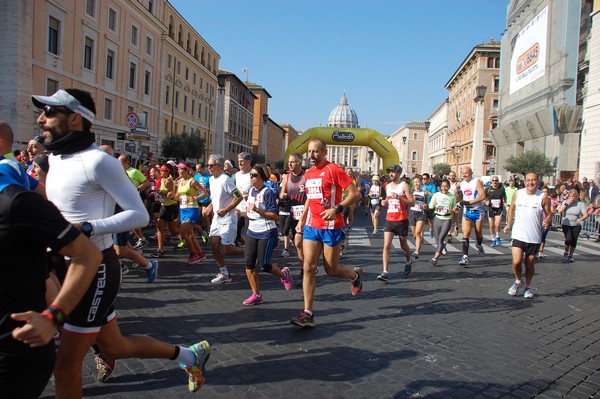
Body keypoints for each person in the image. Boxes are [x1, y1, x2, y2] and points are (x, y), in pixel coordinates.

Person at [31, 88, 210, 397]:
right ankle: (190, 355)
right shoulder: (55, 159)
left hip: (95, 269)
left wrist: (86, 227)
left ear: (75, 119)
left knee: (65, 365)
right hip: (61, 267)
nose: (40, 118)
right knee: (115, 345)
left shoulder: (99, 162)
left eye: (49, 113)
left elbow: (139, 215)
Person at [0, 165, 102, 399]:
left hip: (14, 353)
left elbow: (88, 254)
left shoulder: (17, 202)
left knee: (112, 345)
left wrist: (53, 316)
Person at [290, 138, 363, 328]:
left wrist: (337, 209)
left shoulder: (334, 170)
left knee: (331, 269)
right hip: (312, 226)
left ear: (324, 153)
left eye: (315, 152)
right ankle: (308, 312)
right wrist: (302, 219)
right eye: (310, 152)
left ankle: (354, 276)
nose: (312, 156)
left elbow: (355, 194)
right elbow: (309, 198)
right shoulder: (309, 173)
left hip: (331, 226)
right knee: (308, 267)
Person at [242, 164, 294, 306]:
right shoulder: (251, 190)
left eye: (254, 175)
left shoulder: (268, 192)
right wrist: (242, 212)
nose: (251, 177)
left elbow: (274, 216)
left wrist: (258, 210)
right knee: (249, 265)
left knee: (264, 265)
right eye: (250, 175)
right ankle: (256, 294)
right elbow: (250, 211)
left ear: (261, 177)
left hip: (266, 232)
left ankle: (284, 274)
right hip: (252, 230)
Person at [503, 172, 552, 299]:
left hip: (534, 237)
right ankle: (518, 280)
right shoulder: (518, 193)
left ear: (538, 181)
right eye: (528, 180)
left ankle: (528, 287)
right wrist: (508, 224)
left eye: (533, 180)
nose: (531, 183)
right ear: (525, 181)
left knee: (529, 265)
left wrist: (548, 219)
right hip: (518, 234)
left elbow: (550, 213)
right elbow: (512, 209)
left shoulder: (543, 197)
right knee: (516, 262)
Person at [206, 154, 244, 283]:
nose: (209, 168)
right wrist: (209, 207)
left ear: (220, 166)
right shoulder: (211, 179)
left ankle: (250, 252)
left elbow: (238, 196)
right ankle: (224, 273)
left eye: (212, 165)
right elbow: (215, 197)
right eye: (208, 165)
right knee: (213, 245)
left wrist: (226, 210)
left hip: (228, 218)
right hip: (217, 218)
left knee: (226, 249)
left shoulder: (225, 180)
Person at [378, 165, 414, 281]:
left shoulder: (404, 186)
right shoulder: (387, 186)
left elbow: (412, 203)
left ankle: (408, 260)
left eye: (393, 172)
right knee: (386, 245)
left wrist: (400, 198)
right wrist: (384, 202)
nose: (391, 174)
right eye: (390, 172)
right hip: (390, 219)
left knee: (403, 245)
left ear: (399, 173)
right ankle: (385, 271)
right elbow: (388, 198)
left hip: (402, 219)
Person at [176, 162, 209, 264]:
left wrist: (195, 198)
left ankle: (194, 254)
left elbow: (205, 193)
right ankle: (201, 254)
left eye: (180, 169)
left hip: (192, 210)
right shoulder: (180, 181)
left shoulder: (193, 182)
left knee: (182, 233)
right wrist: (171, 195)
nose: (178, 171)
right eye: (178, 169)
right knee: (190, 236)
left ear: (187, 170)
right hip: (183, 209)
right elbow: (178, 196)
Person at [279, 153, 306, 272]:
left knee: (300, 242)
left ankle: (305, 269)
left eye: (293, 162)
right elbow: (281, 193)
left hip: (306, 213)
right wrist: (282, 195)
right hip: (292, 212)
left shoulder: (306, 176)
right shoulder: (286, 177)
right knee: (297, 244)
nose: (289, 164)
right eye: (289, 162)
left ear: (299, 163)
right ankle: (305, 267)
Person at [456, 167, 486, 266]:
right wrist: (458, 203)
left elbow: (482, 196)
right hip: (467, 211)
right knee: (466, 233)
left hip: (478, 211)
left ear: (471, 173)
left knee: (478, 233)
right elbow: (461, 197)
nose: (464, 175)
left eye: (466, 173)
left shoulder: (477, 182)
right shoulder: (461, 184)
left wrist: (469, 202)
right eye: (463, 173)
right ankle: (465, 257)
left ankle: (479, 244)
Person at [151, 164, 180, 258]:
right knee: (160, 227)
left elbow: (170, 194)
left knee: (173, 229)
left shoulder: (168, 181)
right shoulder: (162, 180)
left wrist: (158, 191)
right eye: (160, 170)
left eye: (162, 171)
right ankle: (160, 250)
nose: (160, 172)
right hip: (164, 206)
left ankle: (187, 239)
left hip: (171, 206)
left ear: (168, 172)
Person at [429, 179, 457, 266]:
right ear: (440, 187)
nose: (444, 188)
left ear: (449, 187)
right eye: (443, 186)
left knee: (441, 239)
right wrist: (433, 204)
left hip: (447, 219)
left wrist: (455, 209)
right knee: (437, 240)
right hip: (437, 218)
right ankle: (443, 246)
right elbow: (430, 206)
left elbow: (454, 207)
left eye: (446, 186)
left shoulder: (452, 196)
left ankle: (435, 258)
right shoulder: (436, 195)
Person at [557, 189, 589, 262]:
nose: (572, 198)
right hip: (566, 224)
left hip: (576, 225)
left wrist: (581, 219)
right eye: (571, 196)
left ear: (577, 197)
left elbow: (586, 215)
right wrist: (567, 204)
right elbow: (559, 211)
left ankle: (570, 255)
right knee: (568, 239)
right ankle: (565, 252)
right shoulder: (566, 202)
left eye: (574, 197)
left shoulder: (580, 204)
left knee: (574, 240)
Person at [234, 152, 253, 247]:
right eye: (239, 162)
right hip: (239, 208)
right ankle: (245, 244)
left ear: (249, 162)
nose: (240, 164)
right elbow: (234, 190)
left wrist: (249, 195)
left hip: (250, 209)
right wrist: (238, 196)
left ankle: (249, 248)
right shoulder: (237, 175)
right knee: (236, 232)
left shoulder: (253, 174)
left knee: (248, 232)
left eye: (242, 161)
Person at [408, 175, 428, 259]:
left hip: (421, 213)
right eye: (415, 182)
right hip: (412, 213)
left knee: (418, 233)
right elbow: (408, 202)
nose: (416, 183)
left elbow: (426, 203)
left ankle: (417, 251)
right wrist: (412, 199)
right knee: (414, 234)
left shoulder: (424, 192)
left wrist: (425, 206)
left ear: (421, 182)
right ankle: (417, 244)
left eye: (418, 182)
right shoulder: (411, 191)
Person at [485, 175, 506, 247]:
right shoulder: (488, 189)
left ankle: (497, 236)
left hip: (499, 209)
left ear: (498, 181)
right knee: (491, 226)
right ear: (491, 181)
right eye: (493, 180)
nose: (494, 182)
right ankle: (493, 239)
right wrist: (486, 202)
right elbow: (483, 198)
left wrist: (506, 204)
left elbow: (504, 198)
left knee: (497, 224)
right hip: (490, 209)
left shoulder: (501, 189)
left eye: (496, 180)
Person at [421, 172, 437, 238]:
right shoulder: (420, 186)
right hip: (422, 205)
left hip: (430, 205)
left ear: (428, 179)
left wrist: (427, 192)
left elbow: (434, 195)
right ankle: (422, 235)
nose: (423, 180)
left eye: (425, 178)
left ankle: (431, 229)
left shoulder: (432, 186)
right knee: (422, 221)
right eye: (422, 178)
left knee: (430, 220)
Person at [447, 171, 461, 241]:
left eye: (453, 176)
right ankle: (449, 234)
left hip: (457, 202)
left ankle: (457, 227)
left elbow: (461, 193)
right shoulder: (447, 183)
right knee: (450, 218)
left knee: (456, 218)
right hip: (449, 203)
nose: (451, 177)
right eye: (450, 175)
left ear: (455, 176)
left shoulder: (457, 184)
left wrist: (458, 191)